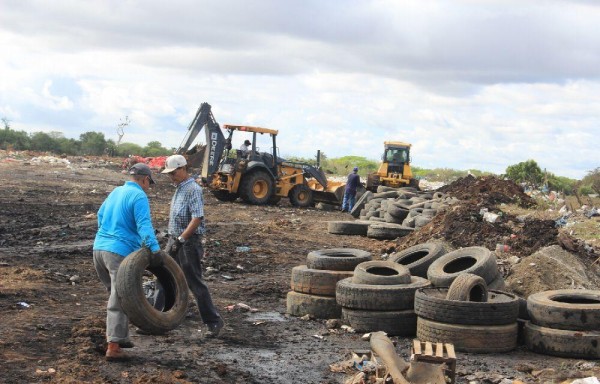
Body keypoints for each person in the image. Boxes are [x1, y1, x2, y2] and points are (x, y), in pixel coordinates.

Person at [93, 163, 163, 361]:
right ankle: (113, 347)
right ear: (145, 179)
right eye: (150, 182)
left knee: (118, 294)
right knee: (118, 297)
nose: (149, 186)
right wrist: (155, 250)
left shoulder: (116, 191)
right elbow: (144, 225)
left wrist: (107, 236)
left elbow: (100, 215)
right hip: (117, 252)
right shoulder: (139, 195)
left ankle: (121, 337)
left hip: (98, 249)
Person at [161, 154, 225, 338]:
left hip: (188, 242)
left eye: (173, 173)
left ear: (183, 169)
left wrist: (181, 240)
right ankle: (158, 319)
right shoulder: (179, 188)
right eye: (169, 174)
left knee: (194, 282)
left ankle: (213, 321)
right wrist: (175, 239)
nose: (170, 177)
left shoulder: (193, 189)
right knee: (163, 276)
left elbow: (197, 217)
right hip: (176, 239)